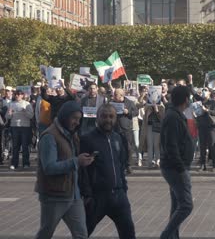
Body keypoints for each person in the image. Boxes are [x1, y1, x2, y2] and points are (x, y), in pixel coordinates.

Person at [34, 101, 94, 239]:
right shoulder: (49, 136)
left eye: (79, 119)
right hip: (54, 195)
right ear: (65, 116)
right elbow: (49, 167)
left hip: (73, 195)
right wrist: (76, 162)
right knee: (46, 232)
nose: (77, 123)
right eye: (74, 118)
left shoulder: (71, 134)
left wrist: (84, 161)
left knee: (81, 234)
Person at [79, 104, 136, 238]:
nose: (108, 120)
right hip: (97, 197)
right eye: (104, 116)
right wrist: (87, 195)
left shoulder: (118, 138)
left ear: (115, 118)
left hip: (118, 195)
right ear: (97, 118)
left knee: (128, 233)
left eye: (111, 116)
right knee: (82, 233)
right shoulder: (87, 139)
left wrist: (123, 188)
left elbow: (121, 164)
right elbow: (82, 171)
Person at [160, 85, 194, 239]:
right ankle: (166, 235)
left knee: (177, 206)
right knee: (186, 205)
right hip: (175, 168)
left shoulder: (175, 114)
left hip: (175, 166)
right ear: (186, 99)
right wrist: (181, 168)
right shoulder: (173, 117)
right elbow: (171, 145)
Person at [111, 88, 138, 172]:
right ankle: (118, 165)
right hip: (114, 128)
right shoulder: (112, 103)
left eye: (116, 94)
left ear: (121, 95)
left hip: (126, 128)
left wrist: (128, 112)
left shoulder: (129, 103)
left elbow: (136, 112)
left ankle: (128, 165)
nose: (114, 96)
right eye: (114, 94)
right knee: (116, 147)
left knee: (128, 147)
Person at [6, 90, 34, 170]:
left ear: (22, 95)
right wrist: (10, 113)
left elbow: (31, 116)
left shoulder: (27, 104)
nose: (17, 96)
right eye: (16, 94)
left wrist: (25, 111)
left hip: (25, 127)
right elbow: (8, 117)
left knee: (25, 146)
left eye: (19, 94)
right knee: (15, 146)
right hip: (14, 127)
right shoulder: (11, 104)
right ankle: (14, 164)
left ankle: (26, 163)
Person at [140, 100, 165, 168]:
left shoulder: (161, 106)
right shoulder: (148, 106)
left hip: (157, 127)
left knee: (156, 145)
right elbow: (145, 117)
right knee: (149, 145)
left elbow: (162, 118)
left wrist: (156, 109)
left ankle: (158, 161)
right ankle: (150, 163)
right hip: (149, 127)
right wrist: (150, 108)